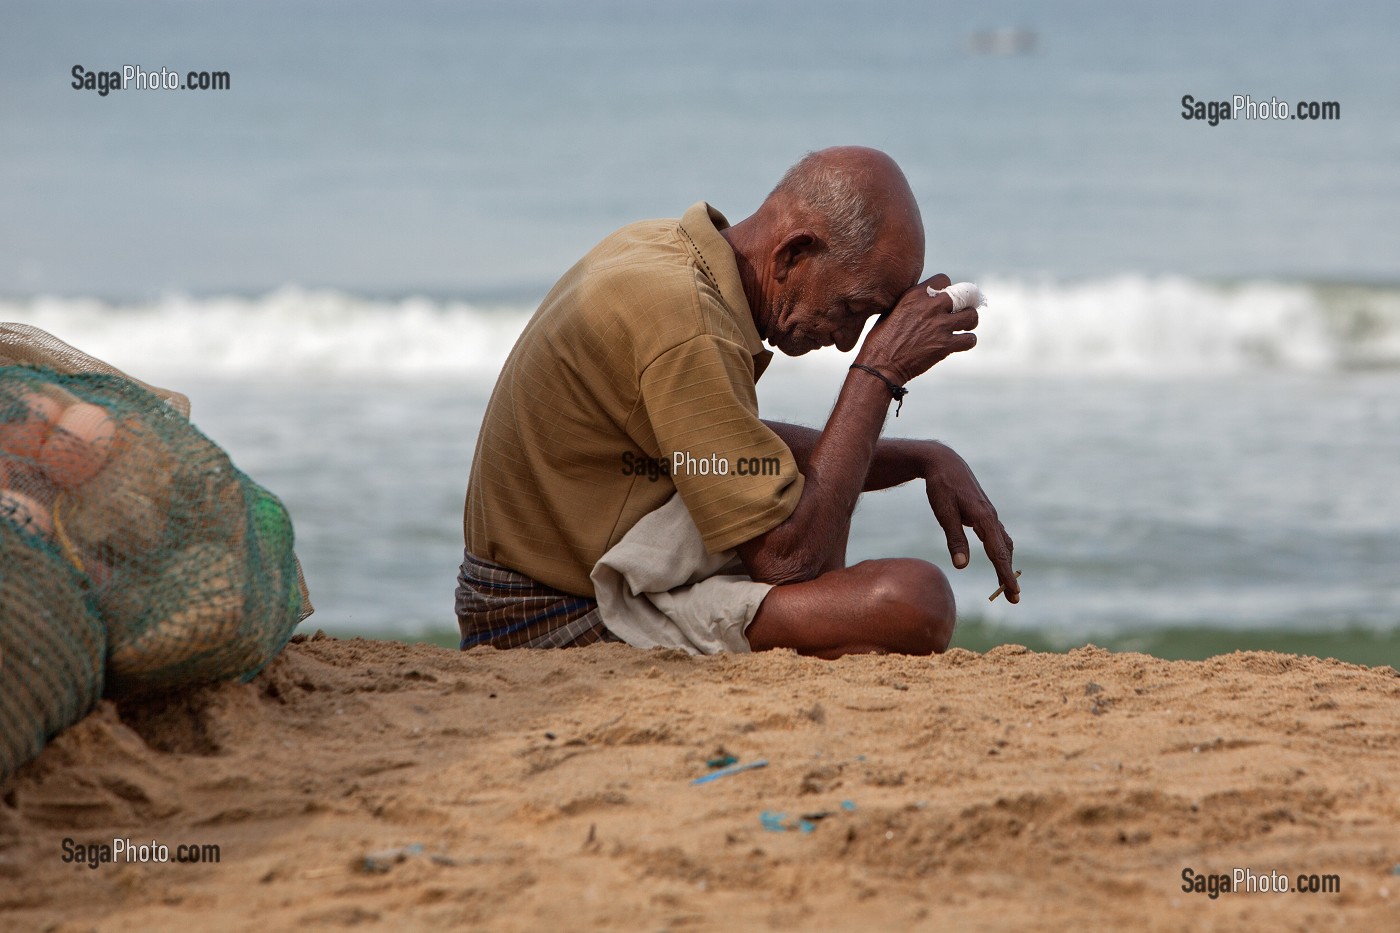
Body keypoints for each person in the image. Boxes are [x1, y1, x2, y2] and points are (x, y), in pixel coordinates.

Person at [458, 146, 1018, 658]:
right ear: (794, 253)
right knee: (915, 601)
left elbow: (723, 448)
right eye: (853, 310)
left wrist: (921, 458)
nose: (847, 339)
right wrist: (877, 373)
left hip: (552, 574)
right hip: (545, 617)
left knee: (823, 495)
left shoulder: (662, 250)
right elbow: (787, 563)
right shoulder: (690, 323)